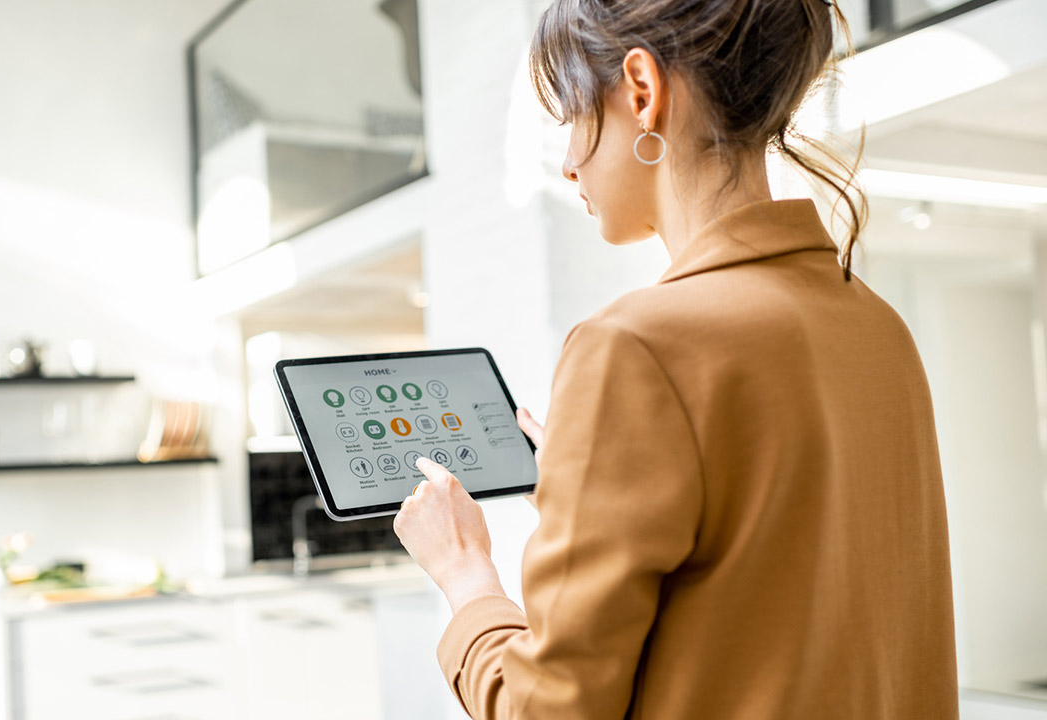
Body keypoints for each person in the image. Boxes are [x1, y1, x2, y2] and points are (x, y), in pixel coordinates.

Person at [392, 0, 960, 718]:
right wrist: (592, 490)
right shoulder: (879, 328)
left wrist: (467, 577)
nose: (569, 162)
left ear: (641, 91)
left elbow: (549, 711)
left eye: (571, 115)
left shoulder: (633, 345)